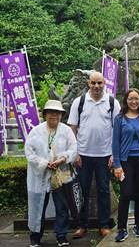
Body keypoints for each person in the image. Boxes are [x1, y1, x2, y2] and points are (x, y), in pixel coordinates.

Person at [68, 71, 121, 238]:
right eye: (93, 83)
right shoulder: (79, 102)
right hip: (83, 154)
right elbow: (72, 129)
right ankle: (82, 225)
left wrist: (114, 154)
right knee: (82, 191)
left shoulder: (112, 102)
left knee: (103, 190)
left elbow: (118, 130)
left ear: (104, 83)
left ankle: (104, 224)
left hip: (105, 155)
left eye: (100, 83)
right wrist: (75, 153)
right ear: (88, 84)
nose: (97, 86)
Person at [26, 100, 77, 247]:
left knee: (62, 206)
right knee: (38, 206)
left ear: (61, 115)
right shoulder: (36, 131)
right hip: (39, 176)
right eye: (50, 112)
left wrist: (63, 158)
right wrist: (43, 163)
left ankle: (61, 235)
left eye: (57, 112)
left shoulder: (66, 130)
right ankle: (35, 236)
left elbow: (73, 148)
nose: (54, 115)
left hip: (60, 175)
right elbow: (29, 153)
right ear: (45, 114)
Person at [112, 89, 139, 242]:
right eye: (131, 99)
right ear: (126, 100)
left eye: (136, 99)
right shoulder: (119, 118)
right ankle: (122, 227)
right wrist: (117, 165)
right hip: (125, 161)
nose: (134, 101)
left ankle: (138, 224)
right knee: (126, 193)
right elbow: (115, 143)